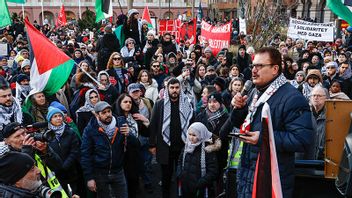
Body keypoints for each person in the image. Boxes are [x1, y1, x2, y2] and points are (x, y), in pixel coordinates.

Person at [227, 47, 313, 197]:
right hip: (248, 175)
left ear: (275, 69)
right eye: (253, 66)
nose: (254, 70)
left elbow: (302, 140)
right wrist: (239, 109)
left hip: (270, 181)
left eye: (260, 66)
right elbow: (240, 123)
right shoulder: (255, 92)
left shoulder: (293, 98)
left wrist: (263, 138)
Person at [149, 78, 193, 198]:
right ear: (167, 89)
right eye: (172, 88)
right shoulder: (159, 104)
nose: (174, 90)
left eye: (177, 88)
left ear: (180, 89)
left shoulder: (187, 103)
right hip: (165, 147)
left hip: (183, 147)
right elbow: (153, 125)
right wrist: (152, 145)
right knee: (166, 178)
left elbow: (192, 124)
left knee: (183, 176)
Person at [80, 101, 130, 198]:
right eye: (104, 113)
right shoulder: (90, 129)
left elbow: (133, 145)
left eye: (109, 111)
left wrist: (129, 135)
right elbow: (85, 154)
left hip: (118, 171)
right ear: (97, 115)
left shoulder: (120, 124)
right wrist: (89, 178)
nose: (108, 115)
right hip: (100, 173)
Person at [176, 122, 219, 198]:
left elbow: (213, 171)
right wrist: (180, 173)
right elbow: (180, 161)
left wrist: (201, 183)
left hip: (200, 189)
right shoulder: (187, 146)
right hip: (185, 186)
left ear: (201, 135)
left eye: (194, 135)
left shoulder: (207, 149)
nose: (191, 138)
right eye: (189, 134)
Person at [46, 107, 81, 195]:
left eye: (60, 116)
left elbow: (74, 150)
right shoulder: (46, 135)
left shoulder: (70, 132)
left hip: (71, 170)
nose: (58, 118)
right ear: (50, 119)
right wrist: (57, 167)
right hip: (56, 174)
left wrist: (65, 165)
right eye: (55, 116)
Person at [309, 86, 329, 160]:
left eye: (319, 96)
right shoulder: (305, 114)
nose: (316, 98)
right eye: (314, 95)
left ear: (326, 98)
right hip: (308, 158)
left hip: (323, 159)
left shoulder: (330, 115)